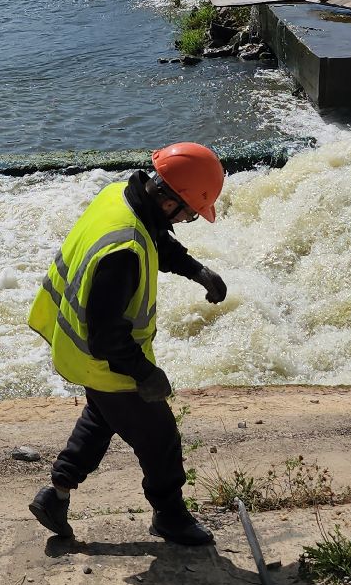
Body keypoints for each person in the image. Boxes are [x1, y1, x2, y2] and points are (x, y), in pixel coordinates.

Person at [26, 142, 229, 546]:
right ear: (169, 200)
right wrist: (145, 373)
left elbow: (156, 237)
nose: (188, 221)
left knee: (102, 418)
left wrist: (197, 271)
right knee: (161, 440)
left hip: (76, 349)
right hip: (103, 360)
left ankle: (57, 494)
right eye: (189, 213)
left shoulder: (120, 196)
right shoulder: (124, 252)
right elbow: (107, 337)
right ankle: (170, 517)